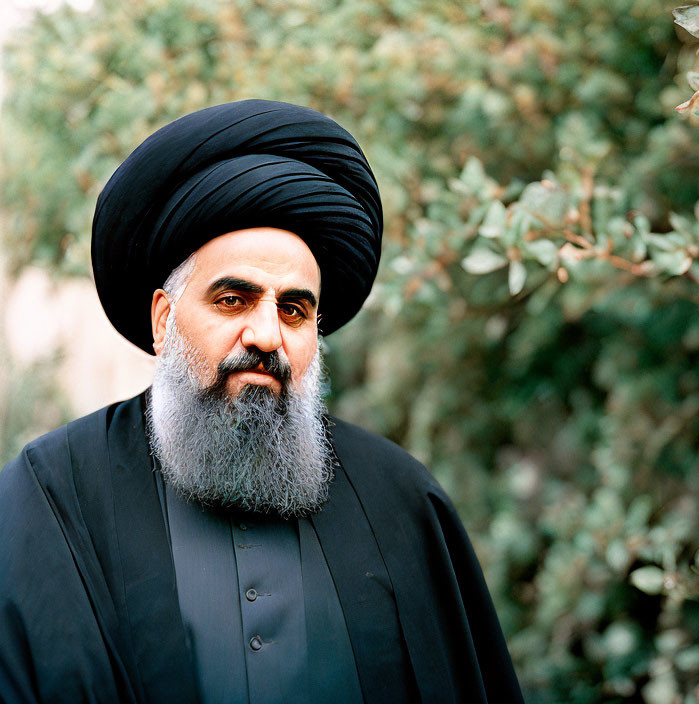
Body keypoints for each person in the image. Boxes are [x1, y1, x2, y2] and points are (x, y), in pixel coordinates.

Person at [0, 100, 523, 704]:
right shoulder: (50, 500)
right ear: (164, 319)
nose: (267, 335)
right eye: (233, 300)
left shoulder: (401, 502)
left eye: (294, 310)